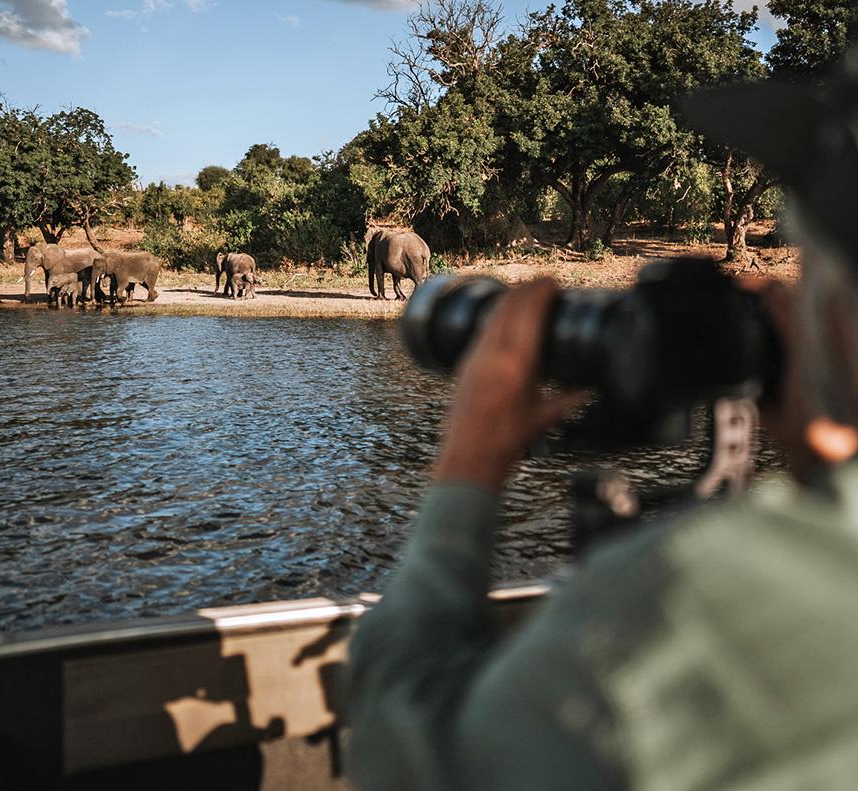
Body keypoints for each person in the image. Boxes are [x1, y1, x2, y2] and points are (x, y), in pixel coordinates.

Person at [347, 51, 858, 789]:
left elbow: (401, 752)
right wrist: (823, 458)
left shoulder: (677, 598)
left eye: (811, 259)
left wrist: (467, 468)